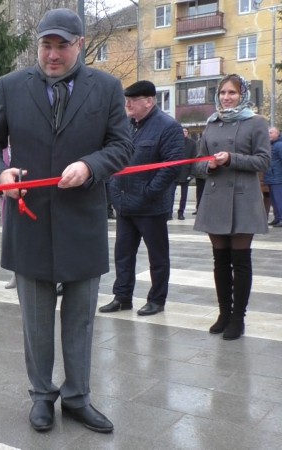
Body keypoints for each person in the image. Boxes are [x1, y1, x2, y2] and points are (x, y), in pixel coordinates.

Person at [0, 8, 132, 434]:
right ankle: (42, 395)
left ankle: (78, 397)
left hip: (82, 221)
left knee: (80, 320)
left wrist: (91, 165)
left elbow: (122, 145)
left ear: (80, 44)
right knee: (37, 323)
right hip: (29, 223)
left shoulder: (106, 88)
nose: (53, 54)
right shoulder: (11, 86)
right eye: (46, 45)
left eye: (62, 45)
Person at [191, 74, 270, 341]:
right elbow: (197, 163)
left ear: (242, 95)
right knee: (220, 261)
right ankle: (224, 313)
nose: (226, 97)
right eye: (223, 93)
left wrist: (230, 159)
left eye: (232, 93)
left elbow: (263, 161)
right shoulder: (212, 123)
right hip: (214, 199)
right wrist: (208, 165)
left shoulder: (256, 123)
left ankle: (238, 318)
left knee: (241, 261)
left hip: (243, 199)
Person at [100, 80, 183, 317]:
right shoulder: (126, 125)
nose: (128, 106)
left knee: (157, 257)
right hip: (125, 203)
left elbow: (171, 167)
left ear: (149, 101)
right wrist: (115, 189)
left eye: (132, 101)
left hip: (151, 206)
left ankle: (157, 299)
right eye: (126, 101)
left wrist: (149, 192)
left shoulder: (168, 127)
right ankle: (122, 297)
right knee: (123, 255)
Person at [172, 128, 197, 220]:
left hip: (186, 172)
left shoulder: (192, 143)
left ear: (188, 133)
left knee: (184, 195)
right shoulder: (173, 142)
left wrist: (191, 174)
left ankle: (181, 212)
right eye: (182, 131)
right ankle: (169, 212)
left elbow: (194, 159)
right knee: (170, 194)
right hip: (174, 172)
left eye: (185, 131)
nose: (184, 133)